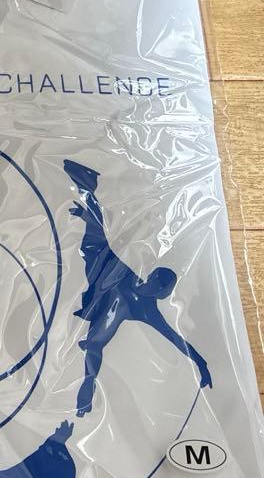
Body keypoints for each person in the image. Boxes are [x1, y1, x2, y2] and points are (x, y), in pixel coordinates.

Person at [64, 159, 212, 417]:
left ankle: (86, 394)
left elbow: (175, 338)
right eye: (151, 278)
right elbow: (106, 242)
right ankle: (88, 186)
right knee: (96, 239)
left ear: (159, 292)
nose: (148, 281)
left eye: (154, 283)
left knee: (94, 346)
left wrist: (201, 363)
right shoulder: (129, 276)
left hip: (102, 310)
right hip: (100, 273)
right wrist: (89, 217)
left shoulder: (146, 309)